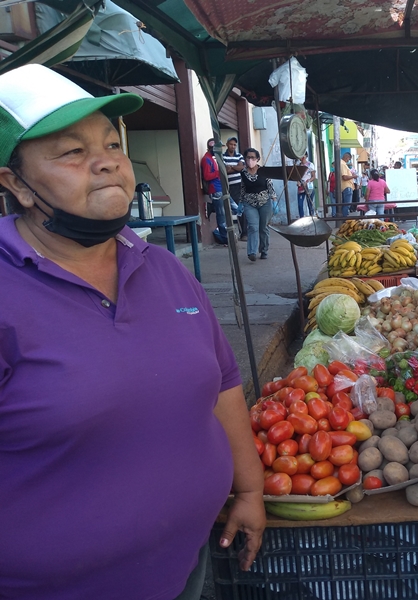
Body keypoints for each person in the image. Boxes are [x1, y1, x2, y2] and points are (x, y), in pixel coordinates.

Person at [0, 64, 266, 599]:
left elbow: (223, 383)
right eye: (71, 152)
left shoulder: (163, 268)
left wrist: (251, 489)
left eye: (110, 145)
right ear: (17, 185)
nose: (106, 162)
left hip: (186, 563)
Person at [240, 148, 276, 261]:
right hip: (249, 203)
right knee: (253, 227)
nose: (250, 160)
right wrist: (240, 203)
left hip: (264, 202)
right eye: (248, 157)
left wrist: (274, 201)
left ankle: (264, 250)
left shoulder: (264, 171)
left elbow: (270, 186)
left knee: (263, 227)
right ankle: (252, 252)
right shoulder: (243, 173)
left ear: (258, 159)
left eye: (253, 158)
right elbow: (242, 188)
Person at [202, 138, 228, 245]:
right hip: (215, 190)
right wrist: (218, 173)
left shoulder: (212, 158)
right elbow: (207, 176)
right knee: (221, 216)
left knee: (234, 209)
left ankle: (211, 207)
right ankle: (224, 238)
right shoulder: (207, 159)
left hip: (220, 188)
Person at [223, 136, 245, 238]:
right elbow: (225, 171)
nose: (233, 146)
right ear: (227, 144)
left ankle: (244, 233)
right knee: (231, 210)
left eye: (235, 145)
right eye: (231, 144)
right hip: (228, 187)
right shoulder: (223, 156)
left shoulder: (239, 155)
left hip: (239, 186)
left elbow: (242, 167)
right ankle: (231, 234)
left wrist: (231, 167)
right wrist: (236, 168)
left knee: (241, 209)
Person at [296, 152, 316, 218]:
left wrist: (308, 181)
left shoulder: (310, 165)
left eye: (303, 156)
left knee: (310, 203)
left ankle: (312, 218)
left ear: (306, 156)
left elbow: (313, 176)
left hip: (308, 187)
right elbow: (297, 177)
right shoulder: (298, 165)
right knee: (300, 204)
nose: (301, 158)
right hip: (301, 187)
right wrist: (298, 181)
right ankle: (301, 218)